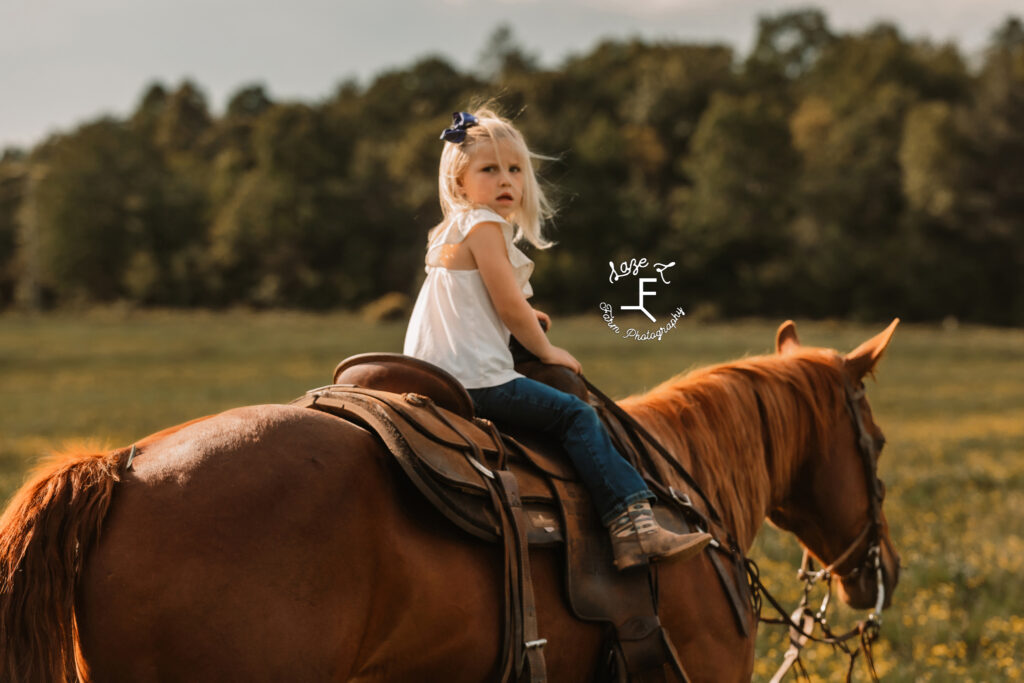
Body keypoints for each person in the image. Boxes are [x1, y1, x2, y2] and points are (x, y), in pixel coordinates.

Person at [403, 108, 711, 571]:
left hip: (429, 372)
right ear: (460, 180)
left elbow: (470, 300)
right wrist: (548, 351)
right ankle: (632, 526)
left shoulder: (444, 233)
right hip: (475, 378)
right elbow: (507, 305)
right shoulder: (485, 225)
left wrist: (525, 315)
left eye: (515, 169)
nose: (506, 180)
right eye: (490, 169)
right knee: (576, 416)